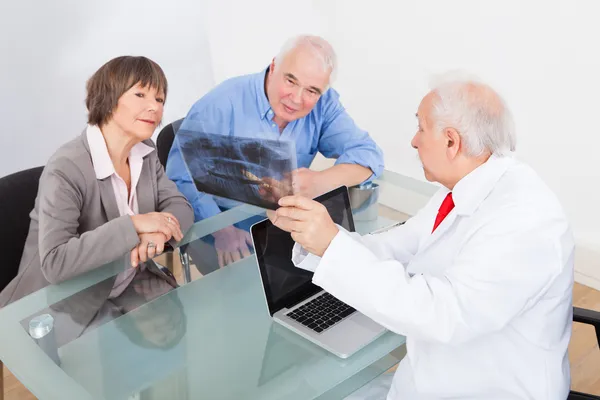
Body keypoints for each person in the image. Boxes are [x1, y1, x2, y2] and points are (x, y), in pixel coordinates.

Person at [269, 76, 575, 399]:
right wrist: (316, 239)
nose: (414, 141)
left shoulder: (525, 220)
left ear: (451, 142)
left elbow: (442, 315)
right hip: (431, 379)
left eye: (421, 128)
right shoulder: (465, 188)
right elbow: (401, 244)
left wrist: (333, 247)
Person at [0, 56, 194, 331]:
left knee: (187, 329)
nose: (154, 107)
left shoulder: (144, 150)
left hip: (128, 282)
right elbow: (55, 262)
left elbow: (179, 205)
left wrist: (158, 233)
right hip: (64, 304)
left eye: (160, 99)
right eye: (140, 94)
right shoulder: (67, 167)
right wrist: (135, 224)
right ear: (109, 97)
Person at [166, 35, 384, 270]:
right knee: (253, 289)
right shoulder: (222, 103)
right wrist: (223, 230)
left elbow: (369, 154)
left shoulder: (324, 104)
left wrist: (321, 181)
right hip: (221, 222)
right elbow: (179, 177)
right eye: (290, 81)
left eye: (312, 90)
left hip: (285, 222)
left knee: (337, 269)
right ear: (273, 67)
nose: (297, 99)